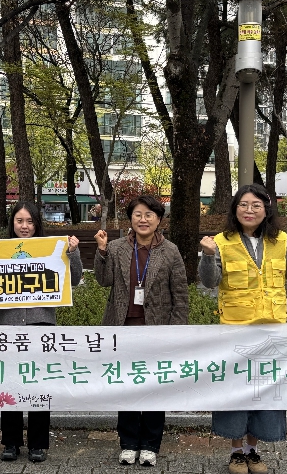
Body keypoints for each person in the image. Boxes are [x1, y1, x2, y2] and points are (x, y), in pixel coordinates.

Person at [198, 184, 287, 474]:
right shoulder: (220, 241)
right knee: (236, 391)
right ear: (235, 209)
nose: (249, 210)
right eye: (243, 205)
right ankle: (236, 452)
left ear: (266, 210)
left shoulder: (280, 240)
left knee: (264, 391)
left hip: (272, 332)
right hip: (234, 333)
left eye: (256, 205)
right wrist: (207, 255)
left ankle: (252, 450)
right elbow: (209, 281)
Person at [0, 201, 82, 463]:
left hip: (41, 325)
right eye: (19, 221)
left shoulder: (52, 250)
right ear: (12, 223)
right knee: (9, 383)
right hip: (9, 326)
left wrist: (72, 253)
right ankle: (11, 442)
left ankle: (38, 443)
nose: (24, 226)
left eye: (29, 221)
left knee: (40, 385)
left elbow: (74, 280)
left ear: (37, 224)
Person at [93, 195, 188, 468]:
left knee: (155, 387)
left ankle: (150, 444)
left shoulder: (170, 251)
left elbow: (180, 295)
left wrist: (177, 331)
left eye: (149, 215)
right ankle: (128, 443)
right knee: (127, 386)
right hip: (123, 328)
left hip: (157, 330)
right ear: (131, 219)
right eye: (138, 215)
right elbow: (103, 280)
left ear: (158, 220)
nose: (143, 220)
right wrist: (101, 251)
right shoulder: (117, 247)